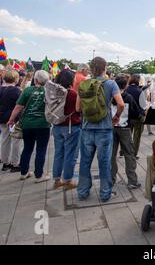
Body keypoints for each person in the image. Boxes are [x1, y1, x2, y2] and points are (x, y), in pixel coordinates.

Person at [76, 57, 125, 202]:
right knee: (104, 161)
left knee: (85, 161)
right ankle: (105, 193)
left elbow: (78, 108)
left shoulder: (83, 84)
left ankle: (83, 192)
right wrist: (116, 117)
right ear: (105, 68)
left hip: (86, 128)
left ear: (91, 69)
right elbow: (121, 104)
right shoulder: (111, 83)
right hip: (104, 128)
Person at [8, 70, 51, 182]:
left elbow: (18, 107)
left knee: (27, 148)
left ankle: (24, 172)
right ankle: (39, 175)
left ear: (35, 79)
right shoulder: (48, 91)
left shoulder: (27, 90)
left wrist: (11, 119)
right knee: (41, 149)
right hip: (43, 124)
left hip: (27, 123)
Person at [51, 70, 82, 190]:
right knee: (71, 154)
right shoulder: (72, 94)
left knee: (58, 153)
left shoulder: (54, 93)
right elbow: (79, 109)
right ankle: (68, 179)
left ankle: (57, 179)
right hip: (70, 127)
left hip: (57, 126)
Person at [111, 74, 141, 189]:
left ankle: (111, 179)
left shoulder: (110, 96)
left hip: (112, 128)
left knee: (111, 155)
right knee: (129, 154)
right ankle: (132, 180)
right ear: (126, 85)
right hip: (125, 128)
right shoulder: (128, 97)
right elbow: (136, 113)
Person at [0, 70, 22, 172]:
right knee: (16, 141)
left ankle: (5, 163)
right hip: (13, 118)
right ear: (15, 79)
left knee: (5, 140)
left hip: (1, 117)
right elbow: (20, 105)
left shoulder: (0, 90)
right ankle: (15, 163)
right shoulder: (16, 91)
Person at [126, 74, 145, 157]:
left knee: (127, 136)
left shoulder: (126, 90)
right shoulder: (140, 91)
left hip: (128, 116)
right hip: (138, 117)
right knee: (136, 137)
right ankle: (134, 153)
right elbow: (143, 104)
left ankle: (125, 151)